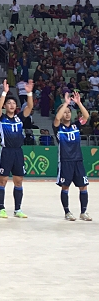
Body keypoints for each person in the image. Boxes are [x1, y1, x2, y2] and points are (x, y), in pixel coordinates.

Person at [0, 79, 34, 219]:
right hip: (6, 152)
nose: (11, 105)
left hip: (18, 151)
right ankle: (1, 209)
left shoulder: (19, 118)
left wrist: (29, 94)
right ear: (5, 106)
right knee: (3, 181)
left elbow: (29, 107)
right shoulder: (1, 118)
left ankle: (18, 209)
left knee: (18, 181)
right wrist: (4, 92)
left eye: (13, 103)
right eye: (9, 103)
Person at [53, 91, 91, 221]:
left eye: (69, 111)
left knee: (83, 186)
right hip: (65, 161)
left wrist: (78, 103)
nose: (67, 113)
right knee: (65, 187)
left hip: (78, 160)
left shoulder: (76, 125)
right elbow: (57, 118)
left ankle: (83, 212)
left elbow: (86, 116)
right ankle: (67, 212)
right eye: (65, 111)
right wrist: (66, 103)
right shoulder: (58, 127)